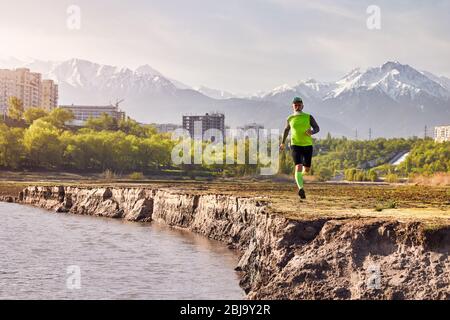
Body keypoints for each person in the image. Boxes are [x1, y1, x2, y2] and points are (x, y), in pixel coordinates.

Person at [279, 97, 320, 199]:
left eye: (299, 105)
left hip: (307, 145)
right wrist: (283, 143)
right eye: (295, 105)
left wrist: (312, 132)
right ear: (292, 106)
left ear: (302, 106)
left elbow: (317, 128)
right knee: (298, 166)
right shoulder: (290, 119)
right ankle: (301, 188)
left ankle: (299, 177)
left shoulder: (308, 117)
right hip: (295, 145)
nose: (297, 107)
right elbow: (286, 130)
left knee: (306, 169)